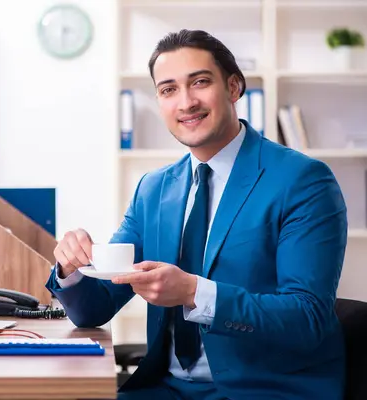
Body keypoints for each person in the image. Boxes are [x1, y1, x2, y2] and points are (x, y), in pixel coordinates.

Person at [45, 29, 348, 400]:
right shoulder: (153, 190)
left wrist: (193, 292)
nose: (186, 102)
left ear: (234, 88)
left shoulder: (302, 180)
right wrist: (71, 271)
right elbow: (95, 308)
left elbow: (308, 317)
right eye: (168, 89)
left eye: (200, 82)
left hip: (264, 390)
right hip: (165, 389)